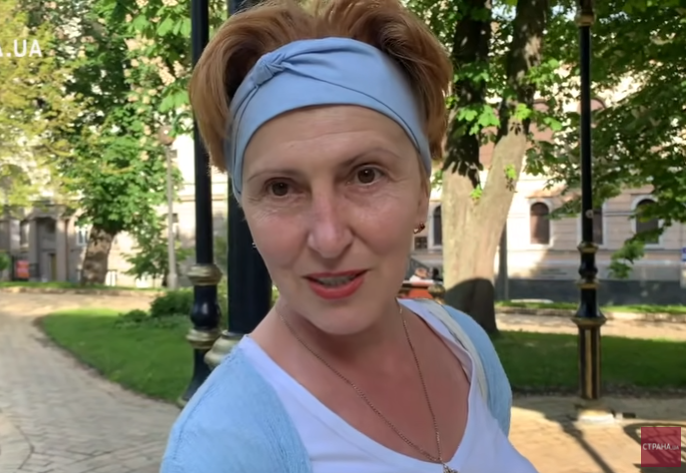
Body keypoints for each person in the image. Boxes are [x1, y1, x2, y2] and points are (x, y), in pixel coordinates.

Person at [161, 0, 538, 472]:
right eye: (280, 188)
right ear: (246, 209)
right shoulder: (222, 446)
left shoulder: (465, 348)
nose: (328, 238)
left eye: (365, 175)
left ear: (422, 192)